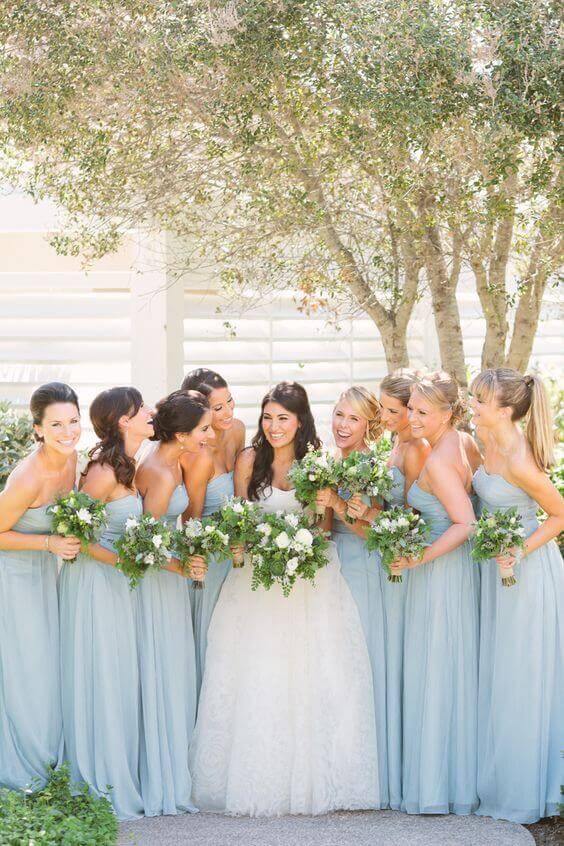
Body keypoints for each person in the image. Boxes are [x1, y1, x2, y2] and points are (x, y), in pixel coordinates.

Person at [189, 382, 380, 816]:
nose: (274, 427)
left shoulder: (319, 464)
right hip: (254, 583)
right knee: (254, 671)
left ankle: (312, 778)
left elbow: (323, 529)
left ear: (300, 421)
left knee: (312, 673)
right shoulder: (248, 461)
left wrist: (296, 547)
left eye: (283, 418)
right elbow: (239, 521)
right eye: (268, 417)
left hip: (309, 581)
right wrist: (253, 545)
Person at [470, 368, 564, 823]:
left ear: (504, 411)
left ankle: (524, 788)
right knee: (497, 669)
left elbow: (560, 514)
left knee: (520, 673)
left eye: (480, 399)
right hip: (496, 571)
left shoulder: (519, 460)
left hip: (526, 573)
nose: (473, 404)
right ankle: (494, 776)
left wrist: (517, 552)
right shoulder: (482, 440)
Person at [59, 387, 153, 820]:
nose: (151, 413)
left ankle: (122, 768)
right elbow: (75, 532)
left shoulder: (130, 466)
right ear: (123, 421)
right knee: (104, 671)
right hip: (97, 583)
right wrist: (122, 561)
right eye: (142, 410)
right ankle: (101, 773)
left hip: (119, 583)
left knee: (120, 672)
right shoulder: (101, 471)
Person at [393, 371, 481, 815]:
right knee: (451, 667)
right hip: (456, 571)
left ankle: (435, 786)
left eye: (421, 411)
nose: (411, 416)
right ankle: (454, 781)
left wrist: (418, 558)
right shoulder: (463, 442)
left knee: (436, 668)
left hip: (440, 572)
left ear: (448, 413)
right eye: (410, 407)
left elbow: (466, 522)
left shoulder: (440, 461)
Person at [135, 390, 212, 815]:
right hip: (157, 584)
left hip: (168, 579)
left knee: (173, 668)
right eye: (202, 429)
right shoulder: (161, 474)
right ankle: (162, 775)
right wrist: (182, 567)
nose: (209, 434)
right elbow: (142, 544)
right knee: (164, 668)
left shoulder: (167, 460)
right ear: (181, 434)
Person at [0, 382, 81, 789]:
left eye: (73, 422)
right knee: (27, 666)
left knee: (47, 664)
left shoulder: (72, 459)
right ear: (37, 430)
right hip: (14, 579)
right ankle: (24, 755)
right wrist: (49, 542)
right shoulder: (28, 477)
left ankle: (50, 749)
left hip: (44, 575)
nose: (67, 432)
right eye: (56, 425)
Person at [315, 385, 389, 807]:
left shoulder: (369, 467)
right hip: (331, 561)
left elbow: (374, 530)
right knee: (333, 664)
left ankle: (362, 769)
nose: (343, 425)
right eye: (340, 415)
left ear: (369, 424)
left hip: (361, 564)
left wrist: (339, 507)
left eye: (354, 419)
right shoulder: (329, 459)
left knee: (358, 660)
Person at [378, 370, 430, 809]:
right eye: (386, 409)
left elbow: (416, 520)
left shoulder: (416, 449)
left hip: (407, 562)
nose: (388, 416)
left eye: (394, 410)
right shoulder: (394, 443)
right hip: (390, 558)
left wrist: (370, 515)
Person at [180, 369, 245, 691]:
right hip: (211, 556)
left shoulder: (237, 431)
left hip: (241, 554)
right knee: (212, 641)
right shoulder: (197, 457)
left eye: (230, 402)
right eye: (217, 409)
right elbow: (190, 521)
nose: (228, 413)